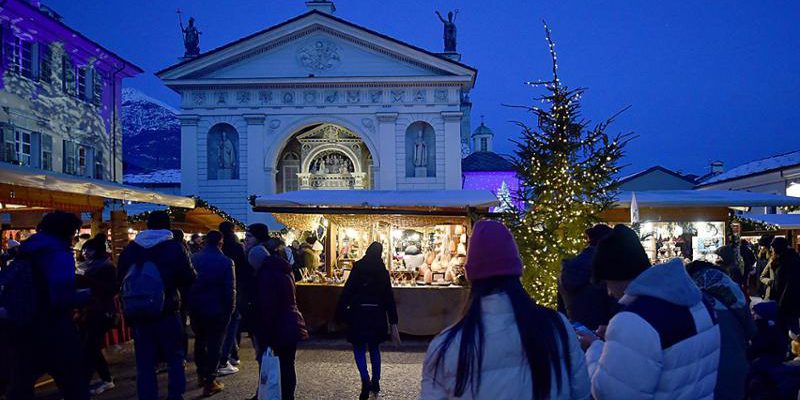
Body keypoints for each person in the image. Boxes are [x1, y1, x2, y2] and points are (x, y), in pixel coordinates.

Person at [421, 220, 590, 400]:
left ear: (472, 277)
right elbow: (581, 392)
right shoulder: (557, 327)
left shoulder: (447, 346)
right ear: (517, 270)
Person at [579, 224, 721, 399]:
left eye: (607, 282)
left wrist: (595, 348)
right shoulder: (700, 303)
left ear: (618, 275)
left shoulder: (634, 321)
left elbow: (611, 394)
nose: (608, 292)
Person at [6, 212, 91, 400]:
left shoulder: (25, 250)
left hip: (21, 325)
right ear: (67, 231)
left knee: (21, 385)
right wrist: (90, 295)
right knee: (74, 384)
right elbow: (62, 296)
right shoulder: (58, 253)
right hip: (53, 326)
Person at [118, 211, 196, 400]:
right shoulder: (174, 247)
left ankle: (147, 396)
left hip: (138, 312)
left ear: (147, 225)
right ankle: (175, 395)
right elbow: (188, 277)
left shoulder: (131, 248)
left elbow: (120, 279)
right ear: (167, 225)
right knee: (174, 358)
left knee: (144, 362)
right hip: (167, 309)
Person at [337, 242, 400, 400]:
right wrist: (393, 322)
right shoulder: (382, 271)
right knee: (374, 348)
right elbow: (389, 298)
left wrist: (340, 312)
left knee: (358, 348)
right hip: (377, 314)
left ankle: (365, 378)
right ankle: (376, 381)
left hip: (359, 313)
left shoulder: (358, 268)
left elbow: (348, 291)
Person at [686, 260, 756, 400]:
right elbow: (752, 331)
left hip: (699, 372)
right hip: (734, 363)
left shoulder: (687, 299)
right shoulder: (733, 291)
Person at [254, 238, 308, 400]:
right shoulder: (285, 269)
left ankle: (275, 395)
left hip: (278, 326)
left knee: (277, 364)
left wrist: (265, 333)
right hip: (291, 322)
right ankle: (288, 396)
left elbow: (268, 305)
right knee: (287, 364)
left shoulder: (267, 274)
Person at [187, 230, 235, 396]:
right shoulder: (226, 262)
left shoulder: (194, 259)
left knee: (200, 341)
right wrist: (229, 310)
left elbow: (188, 285)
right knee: (215, 344)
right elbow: (230, 291)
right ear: (221, 243)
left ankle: (202, 374)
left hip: (197, 308)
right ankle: (210, 379)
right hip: (217, 310)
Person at [75, 234, 118, 396]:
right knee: (91, 348)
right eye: (85, 249)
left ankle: (81, 388)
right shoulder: (84, 267)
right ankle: (106, 379)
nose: (86, 252)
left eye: (89, 250)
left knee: (89, 349)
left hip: (101, 312)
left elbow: (112, 289)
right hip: (87, 312)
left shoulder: (106, 267)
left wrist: (87, 282)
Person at [558, 224, 617, 331]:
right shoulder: (607, 271)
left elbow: (561, 311)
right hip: (602, 336)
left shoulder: (567, 270)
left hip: (576, 335)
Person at [219, 221, 247, 370]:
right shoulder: (237, 246)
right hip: (236, 287)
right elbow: (243, 267)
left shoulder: (221, 246)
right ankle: (229, 356)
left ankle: (232, 353)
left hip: (218, 289)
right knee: (233, 321)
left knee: (225, 322)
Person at [769, 237, 800, 334]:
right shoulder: (785, 260)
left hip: (787, 304)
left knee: (791, 332)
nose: (772, 250)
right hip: (785, 303)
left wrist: (780, 305)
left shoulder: (789, 262)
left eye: (773, 248)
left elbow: (788, 285)